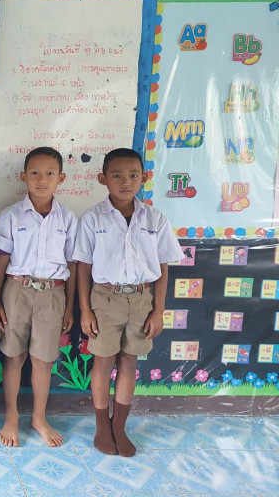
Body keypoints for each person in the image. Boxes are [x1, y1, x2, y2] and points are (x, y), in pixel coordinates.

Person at [72, 148, 183, 457]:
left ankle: (119, 426)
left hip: (142, 298)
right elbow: (83, 266)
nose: (126, 182)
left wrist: (158, 310)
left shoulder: (154, 218)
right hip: (105, 298)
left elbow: (163, 267)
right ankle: (101, 426)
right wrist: (85, 310)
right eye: (117, 175)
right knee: (103, 361)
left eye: (133, 175)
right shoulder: (92, 218)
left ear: (144, 178)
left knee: (129, 361)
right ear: (103, 179)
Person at [0, 147, 77, 448]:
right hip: (17, 290)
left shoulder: (68, 219)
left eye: (50, 173)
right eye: (35, 173)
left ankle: (39, 417)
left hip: (53, 293)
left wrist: (70, 306)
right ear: (23, 176)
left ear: (60, 178)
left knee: (43, 361)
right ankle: (11, 416)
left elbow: (73, 264)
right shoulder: (11, 215)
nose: (42, 180)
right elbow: (1, 259)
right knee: (14, 356)